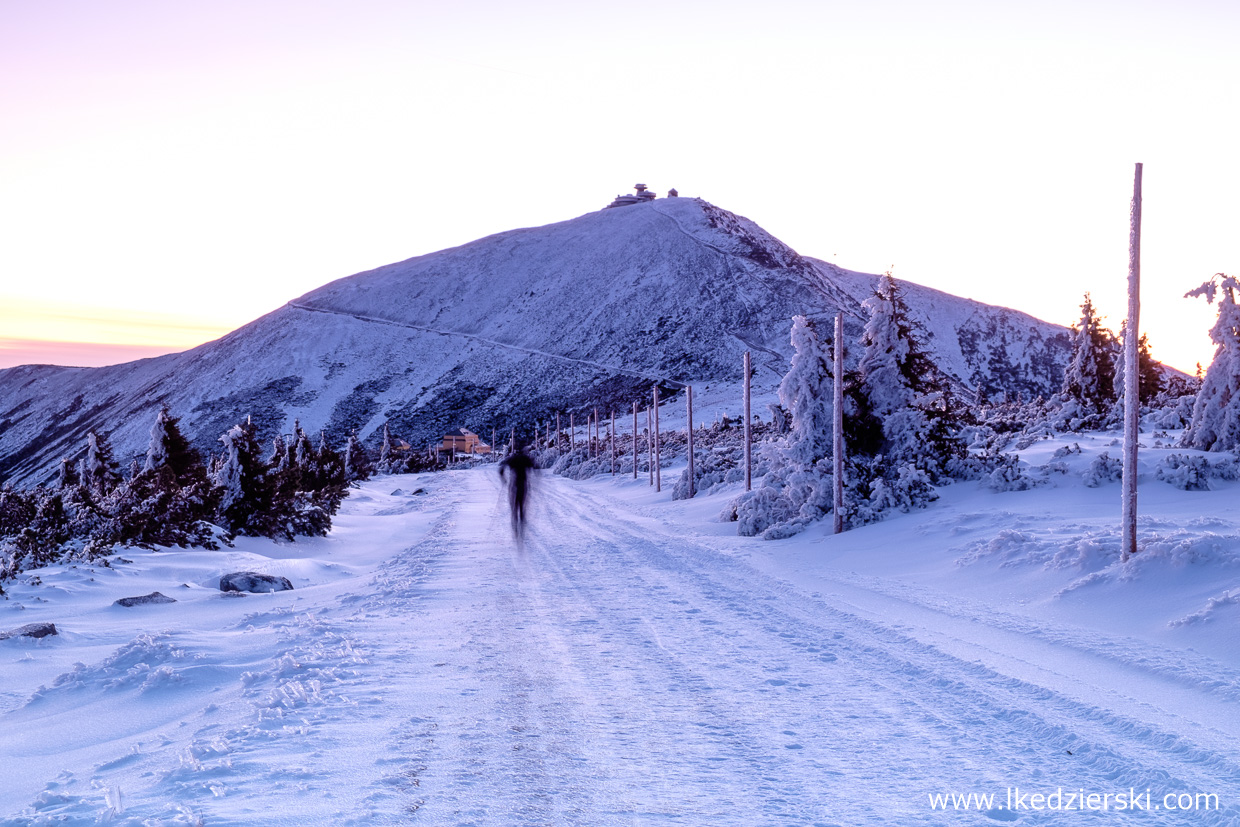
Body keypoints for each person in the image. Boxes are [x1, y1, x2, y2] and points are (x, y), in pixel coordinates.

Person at [498, 443, 538, 539]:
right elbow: (536, 466)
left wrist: (504, 480)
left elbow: (501, 469)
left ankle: (515, 525)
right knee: (522, 506)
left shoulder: (512, 459)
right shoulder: (526, 459)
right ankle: (522, 526)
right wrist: (536, 478)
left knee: (514, 507)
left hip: (513, 485)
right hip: (523, 485)